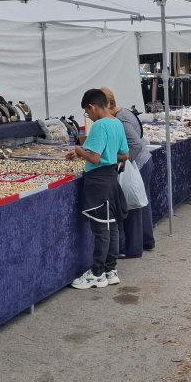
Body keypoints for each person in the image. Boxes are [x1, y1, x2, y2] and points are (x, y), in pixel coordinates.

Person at [68, 89, 130, 290]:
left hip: (98, 181)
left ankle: (97, 273)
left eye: (88, 113)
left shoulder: (100, 126)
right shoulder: (116, 123)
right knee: (111, 226)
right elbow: (125, 155)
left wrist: (79, 150)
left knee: (101, 228)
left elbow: (94, 158)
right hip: (111, 178)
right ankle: (110, 270)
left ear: (92, 107)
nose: (89, 117)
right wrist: (108, 154)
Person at [105, 88, 155, 258]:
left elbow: (136, 144)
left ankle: (133, 248)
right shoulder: (124, 111)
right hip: (144, 161)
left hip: (138, 163)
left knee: (132, 205)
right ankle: (146, 240)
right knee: (141, 201)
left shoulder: (120, 119)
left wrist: (124, 162)